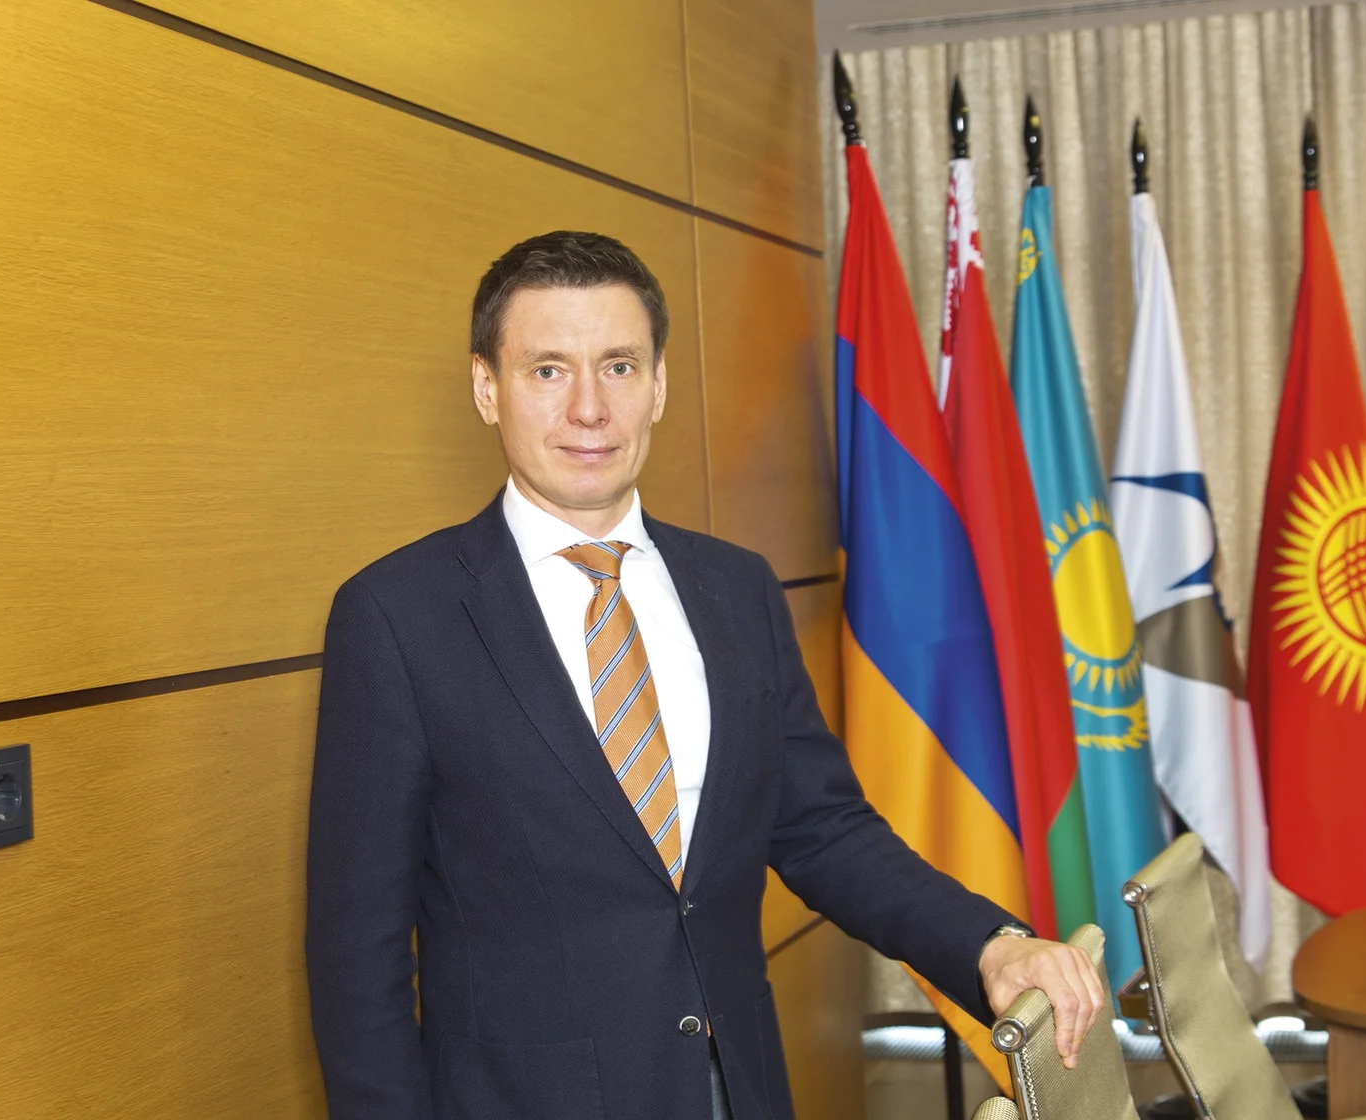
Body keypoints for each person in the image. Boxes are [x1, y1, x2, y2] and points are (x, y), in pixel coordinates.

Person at [305, 230, 1103, 1120]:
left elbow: (824, 831)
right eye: (547, 370)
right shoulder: (396, 617)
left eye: (618, 366)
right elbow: (357, 955)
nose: (589, 409)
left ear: (658, 386)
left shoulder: (737, 590)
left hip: (738, 1088)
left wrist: (989, 945)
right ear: (487, 388)